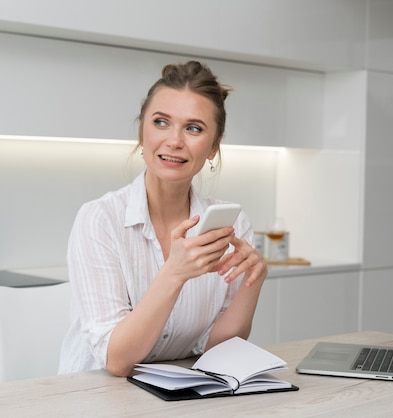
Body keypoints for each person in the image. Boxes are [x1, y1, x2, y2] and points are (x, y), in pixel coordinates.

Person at [58, 60, 267, 377]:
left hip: (177, 393)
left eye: (194, 128)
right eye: (161, 122)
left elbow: (219, 351)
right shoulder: (100, 219)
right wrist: (174, 274)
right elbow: (118, 361)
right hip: (95, 395)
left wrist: (253, 281)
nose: (174, 141)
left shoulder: (232, 226)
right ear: (142, 130)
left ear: (213, 147)